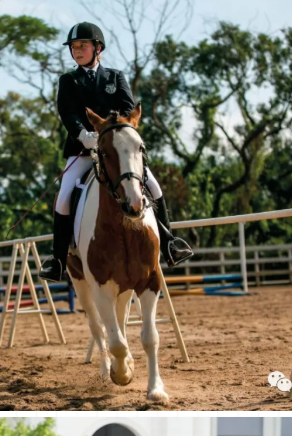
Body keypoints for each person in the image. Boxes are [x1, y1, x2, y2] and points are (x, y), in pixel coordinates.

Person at [38, 22, 191, 283]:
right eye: (74, 47)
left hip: (117, 152)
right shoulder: (68, 80)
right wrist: (84, 136)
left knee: (153, 186)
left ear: (98, 48)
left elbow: (128, 108)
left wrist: (110, 134)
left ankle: (169, 243)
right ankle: (59, 261)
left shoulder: (115, 77)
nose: (77, 51)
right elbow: (68, 113)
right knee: (63, 199)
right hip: (83, 152)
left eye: (82, 46)